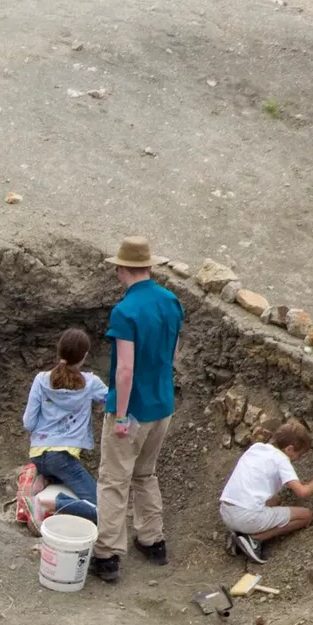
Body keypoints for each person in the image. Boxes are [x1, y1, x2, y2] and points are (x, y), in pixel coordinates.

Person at [90, 236, 185, 584]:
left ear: (121, 269)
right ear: (148, 266)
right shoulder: (172, 302)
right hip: (163, 405)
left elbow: (125, 369)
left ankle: (107, 555)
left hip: (134, 408)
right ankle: (152, 540)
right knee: (145, 473)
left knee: (114, 480)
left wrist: (123, 415)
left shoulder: (125, 311)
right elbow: (172, 355)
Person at [23, 329, 107, 522]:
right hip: (62, 458)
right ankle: (48, 503)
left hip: (37, 455)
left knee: (62, 475)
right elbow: (115, 400)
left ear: (59, 351)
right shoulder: (90, 383)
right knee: (102, 510)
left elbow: (28, 423)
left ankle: (42, 478)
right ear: (84, 356)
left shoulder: (41, 379)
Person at [220, 420, 313, 564]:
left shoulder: (257, 448)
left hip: (226, 511)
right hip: (246, 517)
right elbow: (302, 492)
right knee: (305, 516)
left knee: (275, 500)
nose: (298, 459)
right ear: (289, 449)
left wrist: (309, 484)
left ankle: (238, 534)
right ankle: (253, 539)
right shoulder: (282, 460)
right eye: (299, 455)